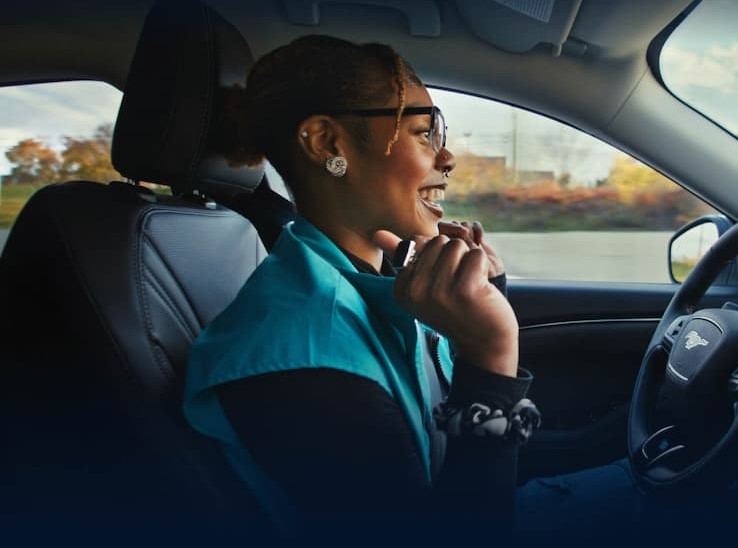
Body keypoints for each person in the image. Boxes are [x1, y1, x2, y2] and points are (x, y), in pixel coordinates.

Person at [182, 35, 541, 536]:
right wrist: (490, 363)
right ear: (328, 144)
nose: (447, 158)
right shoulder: (305, 362)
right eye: (422, 132)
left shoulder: (360, 278)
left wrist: (488, 296)